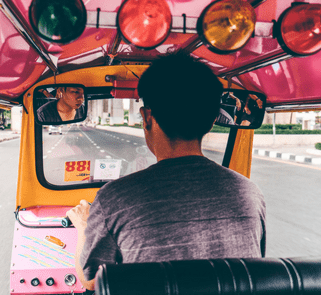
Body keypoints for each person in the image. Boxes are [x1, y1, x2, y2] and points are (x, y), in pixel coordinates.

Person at [66, 54, 266, 290]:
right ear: (212, 120)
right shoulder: (250, 193)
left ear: (147, 117)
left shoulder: (115, 199)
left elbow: (91, 281)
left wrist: (82, 225)